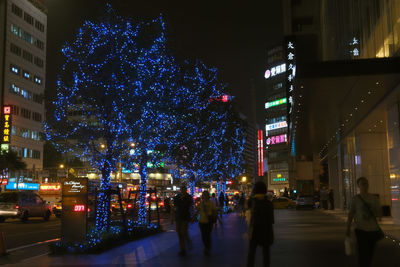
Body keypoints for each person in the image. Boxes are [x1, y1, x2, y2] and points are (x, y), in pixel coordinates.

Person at [346, 177, 382, 267]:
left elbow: (380, 214)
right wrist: (348, 228)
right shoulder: (355, 199)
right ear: (358, 186)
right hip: (360, 230)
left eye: (366, 183)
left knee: (370, 252)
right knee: (362, 252)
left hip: (373, 230)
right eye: (363, 184)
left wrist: (377, 213)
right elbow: (350, 215)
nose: (365, 186)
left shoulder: (374, 198)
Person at [247, 181, 274, 267]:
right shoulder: (269, 203)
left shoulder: (252, 202)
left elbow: (247, 212)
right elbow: (272, 220)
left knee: (252, 253)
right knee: (266, 253)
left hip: (255, 230)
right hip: (267, 230)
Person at [173, 185, 193, 256]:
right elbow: (174, 207)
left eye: (184, 189)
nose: (183, 190)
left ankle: (187, 241)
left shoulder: (189, 197)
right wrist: (172, 217)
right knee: (179, 233)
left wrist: (192, 216)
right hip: (178, 216)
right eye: (182, 189)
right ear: (180, 190)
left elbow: (191, 207)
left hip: (185, 216)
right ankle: (182, 249)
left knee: (183, 231)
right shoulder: (176, 197)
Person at [196, 190, 217, 256]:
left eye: (205, 195)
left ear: (208, 196)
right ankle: (206, 247)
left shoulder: (211, 204)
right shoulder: (201, 203)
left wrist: (216, 219)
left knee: (207, 235)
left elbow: (214, 212)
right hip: (201, 222)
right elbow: (197, 210)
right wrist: (193, 218)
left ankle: (207, 248)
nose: (204, 197)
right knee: (203, 236)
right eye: (203, 195)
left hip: (209, 222)